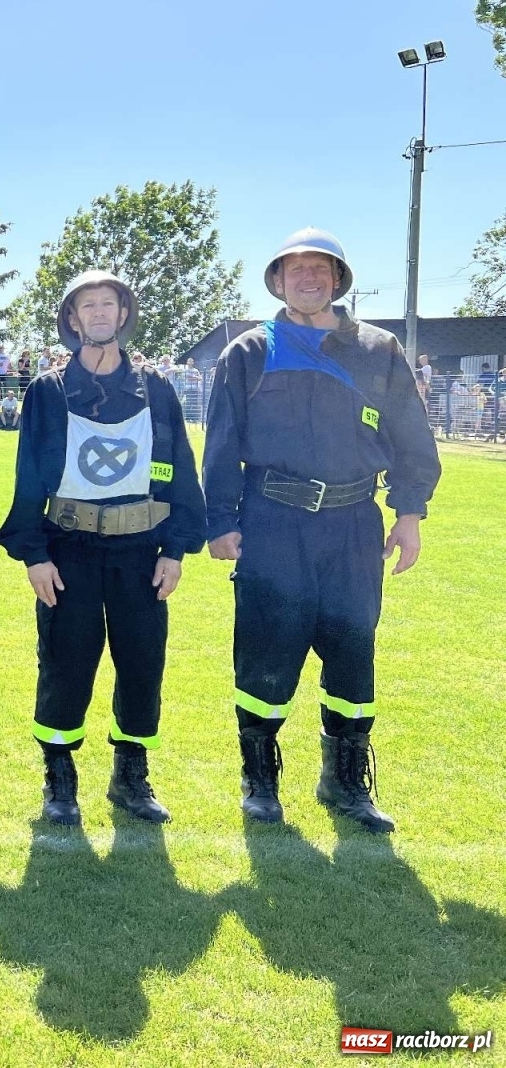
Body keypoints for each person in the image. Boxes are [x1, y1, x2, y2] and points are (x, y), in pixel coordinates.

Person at [204, 228, 440, 833]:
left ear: (338, 279)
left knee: (352, 651)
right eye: (295, 269)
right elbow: (222, 444)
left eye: (320, 269)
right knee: (266, 649)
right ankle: (260, 781)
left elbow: (411, 435)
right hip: (271, 522)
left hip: (355, 524)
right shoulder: (249, 350)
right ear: (277, 281)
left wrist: (408, 513)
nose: (308, 279)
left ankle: (345, 782)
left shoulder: (378, 349)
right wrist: (221, 521)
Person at [0, 270, 206, 826]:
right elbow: (29, 475)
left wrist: (176, 549)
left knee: (141, 661)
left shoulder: (156, 390)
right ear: (72, 318)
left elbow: (180, 468)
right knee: (66, 661)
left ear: (123, 313)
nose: (98, 314)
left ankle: (130, 776)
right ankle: (59, 780)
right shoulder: (47, 391)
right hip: (69, 551)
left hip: (141, 552)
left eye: (107, 304)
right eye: (86, 306)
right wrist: (35, 554)